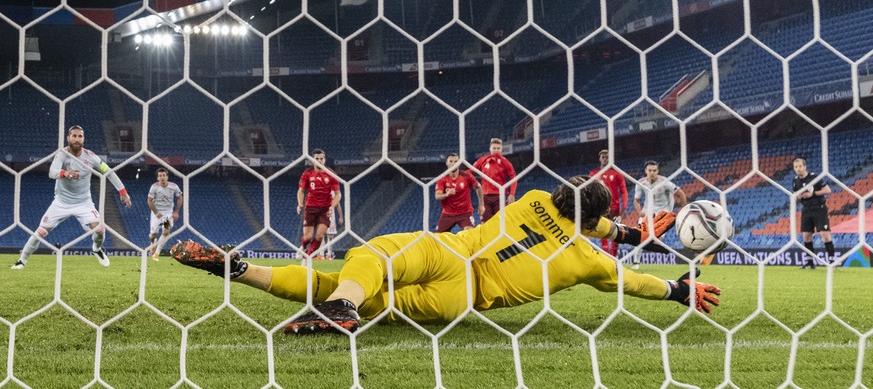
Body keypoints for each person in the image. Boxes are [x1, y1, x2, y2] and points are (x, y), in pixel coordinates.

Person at [170, 175, 721, 335]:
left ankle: (259, 276)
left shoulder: (533, 199)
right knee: (362, 291)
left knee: (370, 259)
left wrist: (629, 231)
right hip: (461, 299)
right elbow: (633, 283)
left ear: (560, 199)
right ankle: (318, 299)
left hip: (451, 251)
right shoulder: (590, 261)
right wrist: (676, 286)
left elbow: (583, 214)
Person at [11, 125, 131, 269]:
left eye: (80, 136)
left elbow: (109, 172)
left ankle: (97, 249)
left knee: (99, 230)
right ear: (68, 138)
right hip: (61, 202)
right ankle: (22, 261)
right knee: (40, 232)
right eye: (74, 136)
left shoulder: (90, 156)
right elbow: (52, 172)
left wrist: (122, 192)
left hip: (84, 203)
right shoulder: (62, 154)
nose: (76, 139)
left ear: (83, 139)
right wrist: (65, 173)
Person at [631, 160, 687, 269]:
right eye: (650, 170)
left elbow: (681, 194)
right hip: (648, 211)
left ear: (658, 171)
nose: (652, 173)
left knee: (658, 239)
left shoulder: (665, 182)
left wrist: (684, 210)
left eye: (655, 170)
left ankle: (653, 241)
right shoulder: (641, 183)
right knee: (639, 236)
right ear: (645, 171)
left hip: (663, 212)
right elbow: (636, 200)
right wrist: (639, 212)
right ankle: (636, 262)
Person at [297, 149, 341, 258]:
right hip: (311, 208)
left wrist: (332, 206)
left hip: (325, 209)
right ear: (313, 160)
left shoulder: (331, 174)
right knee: (307, 237)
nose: (319, 161)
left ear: (324, 160)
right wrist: (300, 204)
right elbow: (301, 191)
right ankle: (302, 247)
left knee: (319, 236)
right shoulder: (307, 174)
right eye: (317, 159)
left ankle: (307, 257)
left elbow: (338, 194)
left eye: (321, 159)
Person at [792, 157, 835, 268]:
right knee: (806, 236)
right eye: (796, 167)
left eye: (800, 166)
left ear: (804, 167)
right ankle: (810, 262)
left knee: (824, 234)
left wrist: (813, 194)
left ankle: (831, 262)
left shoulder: (814, 177)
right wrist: (799, 196)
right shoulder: (795, 180)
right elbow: (796, 195)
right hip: (806, 209)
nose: (798, 169)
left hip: (819, 208)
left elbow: (828, 190)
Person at [589, 149, 628, 257]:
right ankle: (607, 258)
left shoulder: (617, 174)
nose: (605, 159)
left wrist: (624, 206)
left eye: (607, 157)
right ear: (599, 159)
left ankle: (614, 258)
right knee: (603, 231)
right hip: (600, 208)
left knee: (616, 233)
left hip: (615, 208)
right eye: (603, 157)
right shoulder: (593, 174)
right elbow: (589, 190)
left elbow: (624, 191)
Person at [434, 153, 482, 233]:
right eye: (451, 161)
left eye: (456, 161)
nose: (453, 163)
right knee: (437, 238)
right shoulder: (442, 178)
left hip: (465, 213)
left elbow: (478, 187)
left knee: (470, 234)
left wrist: (481, 204)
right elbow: (437, 196)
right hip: (448, 214)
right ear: (447, 162)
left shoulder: (466, 176)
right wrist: (447, 194)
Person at [472, 138, 517, 222]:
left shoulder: (506, 162)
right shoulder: (482, 160)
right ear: (490, 149)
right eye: (494, 148)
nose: (496, 150)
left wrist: (512, 194)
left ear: (501, 149)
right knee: (485, 223)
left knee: (500, 222)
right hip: (485, 196)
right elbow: (470, 171)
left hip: (499, 196)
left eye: (498, 148)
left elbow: (513, 178)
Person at [147, 167, 184, 261]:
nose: (162, 177)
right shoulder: (154, 187)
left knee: (166, 232)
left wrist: (176, 211)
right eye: (160, 176)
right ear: (157, 178)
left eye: (164, 175)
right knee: (153, 234)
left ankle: (156, 253)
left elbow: (180, 198)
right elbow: (149, 201)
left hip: (168, 214)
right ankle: (153, 243)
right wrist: (156, 212)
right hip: (156, 212)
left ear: (167, 177)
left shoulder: (174, 186)